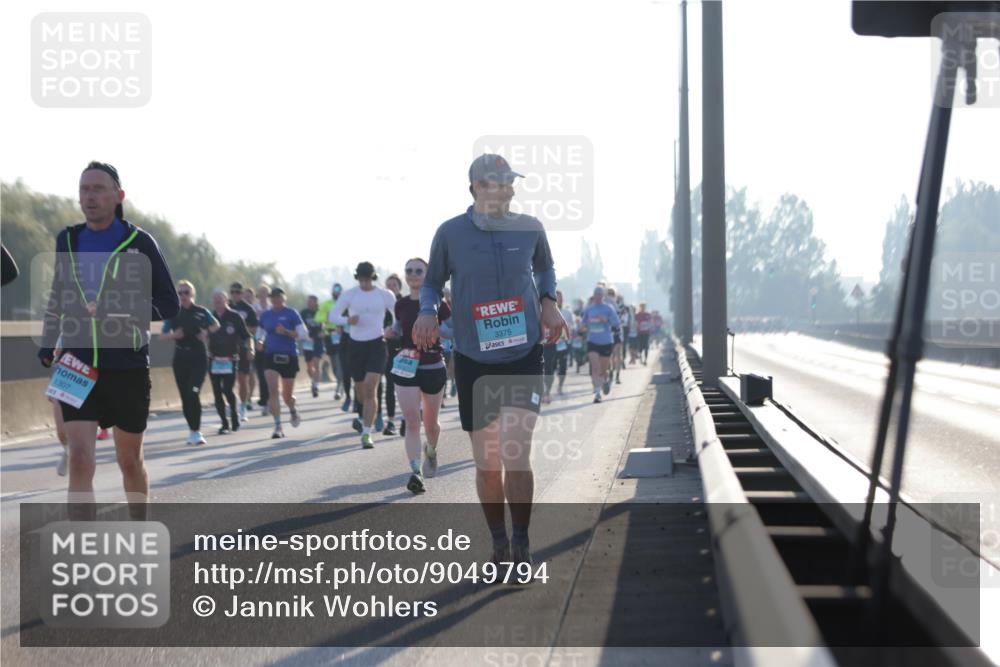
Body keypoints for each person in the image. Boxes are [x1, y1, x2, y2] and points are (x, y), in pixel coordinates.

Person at [412, 153, 566, 569]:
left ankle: (521, 542)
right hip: (475, 357)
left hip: (523, 352)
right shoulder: (450, 233)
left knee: (517, 452)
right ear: (477, 188)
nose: (510, 189)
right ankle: (498, 542)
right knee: (488, 461)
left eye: (511, 182)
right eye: (499, 182)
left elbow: (546, 270)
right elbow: (431, 283)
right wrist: (428, 311)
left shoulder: (530, 227)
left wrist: (549, 303)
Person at [38, 161, 179, 519]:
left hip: (126, 364)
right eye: (84, 189)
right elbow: (58, 294)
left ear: (118, 196)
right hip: (77, 360)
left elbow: (168, 303)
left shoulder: (140, 242)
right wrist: (48, 339)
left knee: (129, 461)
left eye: (98, 189)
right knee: (80, 458)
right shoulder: (66, 240)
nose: (90, 196)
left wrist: (121, 309)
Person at [385, 258, 452, 493]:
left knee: (431, 423)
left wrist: (436, 330)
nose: (413, 274)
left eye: (418, 271)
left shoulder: (438, 303)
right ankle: (416, 472)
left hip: (432, 365)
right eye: (409, 271)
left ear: (427, 275)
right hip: (405, 363)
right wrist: (391, 332)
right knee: (412, 421)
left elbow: (453, 330)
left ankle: (431, 451)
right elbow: (398, 328)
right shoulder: (401, 304)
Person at [329, 262, 396, 449]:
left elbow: (397, 314)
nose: (364, 282)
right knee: (360, 390)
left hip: (377, 343)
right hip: (356, 345)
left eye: (367, 279)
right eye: (361, 279)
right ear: (357, 278)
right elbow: (332, 316)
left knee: (370, 387)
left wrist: (392, 329)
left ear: (373, 277)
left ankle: (367, 433)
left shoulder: (384, 295)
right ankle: (362, 414)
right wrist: (346, 320)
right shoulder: (350, 295)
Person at [162, 280, 220, 445]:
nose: (183, 296)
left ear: (192, 294)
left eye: (186, 292)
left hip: (198, 358)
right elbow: (162, 335)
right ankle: (192, 431)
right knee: (185, 397)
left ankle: (197, 431)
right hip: (180, 359)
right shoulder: (174, 313)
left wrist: (206, 332)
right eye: (180, 293)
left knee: (193, 393)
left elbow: (216, 324)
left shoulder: (202, 312)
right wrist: (174, 335)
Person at [258, 287, 307, 438]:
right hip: (271, 356)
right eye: (273, 297)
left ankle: (292, 409)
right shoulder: (266, 315)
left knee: (287, 396)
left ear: (284, 298)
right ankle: (278, 426)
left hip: (289, 356)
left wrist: (286, 332)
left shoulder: (291, 313)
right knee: (273, 390)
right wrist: (259, 341)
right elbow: (260, 333)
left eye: (278, 297)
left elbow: (303, 334)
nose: (275, 299)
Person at [208, 288, 251, 434]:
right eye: (215, 300)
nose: (218, 302)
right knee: (217, 392)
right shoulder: (210, 317)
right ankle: (224, 423)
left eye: (220, 299)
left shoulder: (235, 317)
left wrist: (250, 349)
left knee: (227, 389)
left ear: (226, 301)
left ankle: (234, 416)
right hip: (214, 359)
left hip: (230, 359)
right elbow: (202, 334)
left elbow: (246, 335)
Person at [581, 286, 620, 403]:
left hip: (606, 341)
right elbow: (583, 323)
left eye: (600, 294)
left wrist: (606, 320)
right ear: (594, 295)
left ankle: (605, 381)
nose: (598, 297)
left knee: (603, 370)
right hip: (592, 341)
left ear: (603, 296)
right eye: (596, 294)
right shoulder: (589, 309)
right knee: (595, 367)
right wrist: (584, 325)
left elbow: (616, 323)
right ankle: (597, 393)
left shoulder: (608, 308)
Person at [228, 282, 258, 423]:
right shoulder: (225, 306)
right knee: (228, 379)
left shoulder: (248, 309)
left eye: (237, 292)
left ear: (241, 293)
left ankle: (243, 407)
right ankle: (232, 404)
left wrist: (242, 330)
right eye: (232, 292)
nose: (234, 295)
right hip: (227, 348)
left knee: (242, 379)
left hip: (243, 347)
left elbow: (254, 329)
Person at [380, 273, 404, 436]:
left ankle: (406, 420)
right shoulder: (381, 307)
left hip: (404, 350)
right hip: (386, 350)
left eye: (394, 285)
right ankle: (390, 422)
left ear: (399, 287)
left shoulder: (404, 304)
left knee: (404, 388)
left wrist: (398, 332)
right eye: (388, 285)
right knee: (389, 386)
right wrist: (384, 332)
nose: (391, 288)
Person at [541, 289, 576, 402]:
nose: (558, 299)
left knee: (563, 367)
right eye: (556, 297)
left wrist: (569, 330)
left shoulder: (567, 312)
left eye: (560, 297)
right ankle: (547, 391)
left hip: (563, 344)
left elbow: (573, 327)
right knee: (549, 368)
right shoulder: (545, 312)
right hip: (550, 344)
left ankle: (560, 385)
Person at [316, 283, 346, 400]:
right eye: (335, 289)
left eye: (339, 289)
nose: (337, 291)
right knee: (334, 363)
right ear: (332, 291)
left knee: (340, 361)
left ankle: (340, 385)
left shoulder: (345, 303)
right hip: (330, 335)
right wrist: (327, 317)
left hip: (343, 335)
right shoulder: (327, 304)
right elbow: (318, 317)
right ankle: (340, 381)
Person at [300, 295, 326, 398]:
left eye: (311, 301)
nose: (309, 303)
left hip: (318, 341)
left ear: (316, 303)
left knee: (316, 363)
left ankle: (315, 386)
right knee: (309, 367)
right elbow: (299, 325)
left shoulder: (320, 312)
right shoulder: (304, 313)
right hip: (307, 341)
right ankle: (313, 380)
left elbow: (326, 324)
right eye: (308, 301)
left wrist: (324, 332)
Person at [253, 284, 271, 415]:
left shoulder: (272, 308)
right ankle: (265, 401)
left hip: (272, 345)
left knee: (270, 375)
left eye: (265, 293)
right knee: (261, 375)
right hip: (258, 344)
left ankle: (270, 400)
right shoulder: (254, 308)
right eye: (260, 293)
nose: (263, 296)